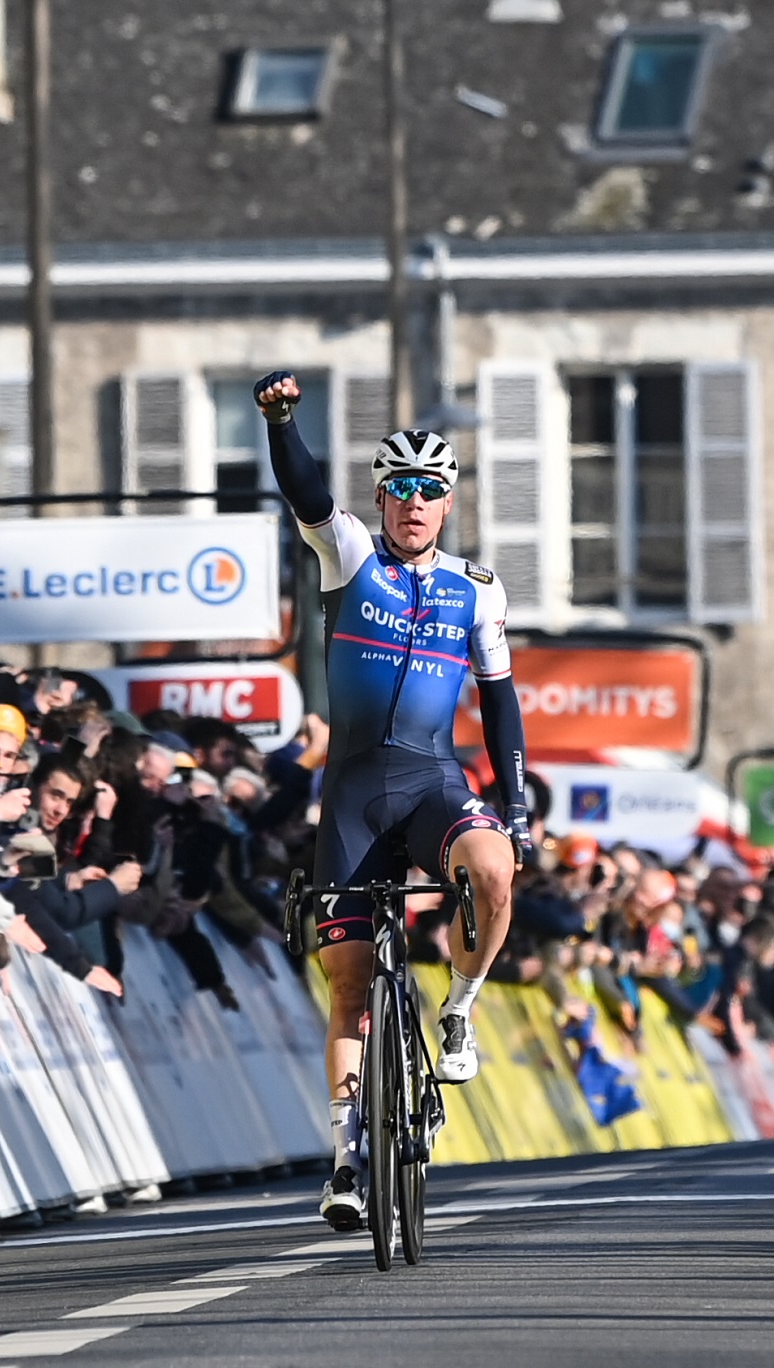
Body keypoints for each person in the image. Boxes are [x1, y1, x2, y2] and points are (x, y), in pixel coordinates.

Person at [255, 370, 531, 1232]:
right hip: (352, 795)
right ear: (382, 496)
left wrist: (516, 806)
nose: (415, 502)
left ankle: (458, 1009)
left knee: (493, 869)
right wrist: (282, 422)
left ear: (448, 504)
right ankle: (345, 1158)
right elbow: (304, 488)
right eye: (401, 487)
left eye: (432, 489)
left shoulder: (477, 589)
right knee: (348, 989)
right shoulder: (351, 555)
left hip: (433, 781)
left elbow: (500, 699)